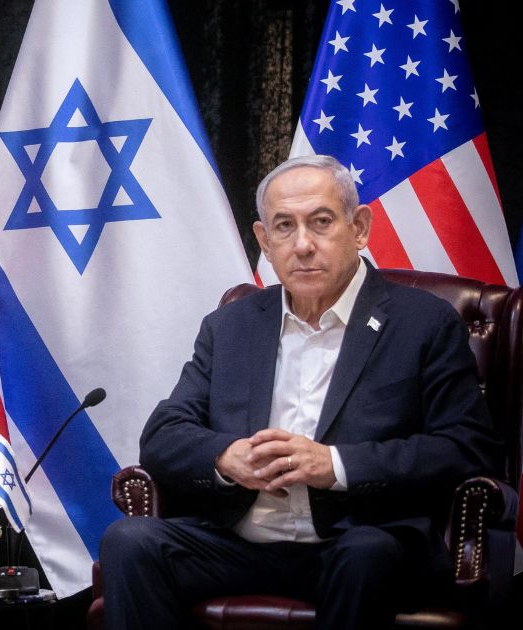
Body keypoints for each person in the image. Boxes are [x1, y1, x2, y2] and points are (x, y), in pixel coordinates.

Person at [98, 155, 501, 628]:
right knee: (128, 542)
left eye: (322, 222)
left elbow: (464, 448)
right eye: (284, 227)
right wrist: (226, 458)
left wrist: (332, 466)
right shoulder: (231, 325)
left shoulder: (424, 324)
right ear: (265, 242)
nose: (303, 245)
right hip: (240, 543)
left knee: (364, 553)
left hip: (360, 542)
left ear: (360, 228)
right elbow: (164, 434)